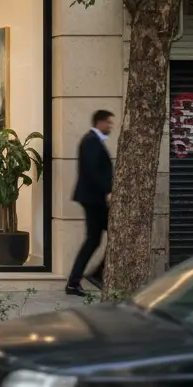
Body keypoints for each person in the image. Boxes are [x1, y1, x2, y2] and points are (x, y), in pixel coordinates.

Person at [68, 110, 114, 297]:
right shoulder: (91, 141)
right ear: (100, 122)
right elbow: (93, 171)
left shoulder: (93, 141)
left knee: (97, 239)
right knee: (95, 239)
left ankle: (88, 277)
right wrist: (107, 191)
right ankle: (79, 280)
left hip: (94, 199)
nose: (110, 126)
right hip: (94, 200)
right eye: (108, 122)